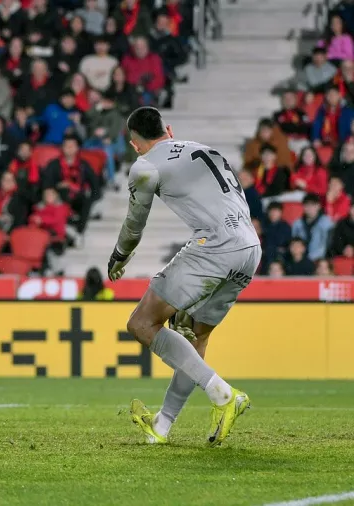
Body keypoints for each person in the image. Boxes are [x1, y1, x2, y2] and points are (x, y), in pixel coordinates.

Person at [107, 107, 261, 446]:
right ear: (169, 129)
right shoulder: (204, 149)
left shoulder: (145, 166)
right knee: (195, 337)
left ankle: (223, 395)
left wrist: (120, 255)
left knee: (142, 324)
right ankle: (162, 426)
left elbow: (135, 225)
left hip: (215, 246)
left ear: (135, 145)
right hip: (249, 247)